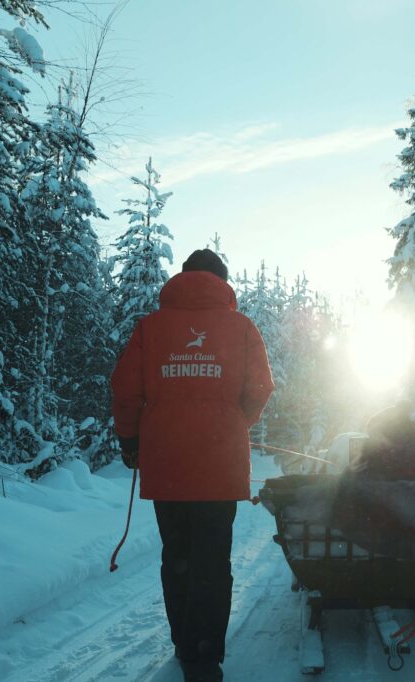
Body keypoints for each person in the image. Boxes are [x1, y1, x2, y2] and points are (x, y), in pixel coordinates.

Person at [111, 248, 274, 682]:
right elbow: (261, 387)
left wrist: (131, 440)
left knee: (177, 555)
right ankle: (205, 657)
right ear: (222, 282)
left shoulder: (151, 327)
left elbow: (125, 389)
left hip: (167, 464)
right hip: (220, 464)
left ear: (183, 278)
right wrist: (235, 418)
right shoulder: (241, 328)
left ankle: (185, 645)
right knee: (214, 559)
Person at [351, 401, 415, 480]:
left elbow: (371, 426)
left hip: (394, 472)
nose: (403, 415)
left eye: (404, 411)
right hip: (399, 472)